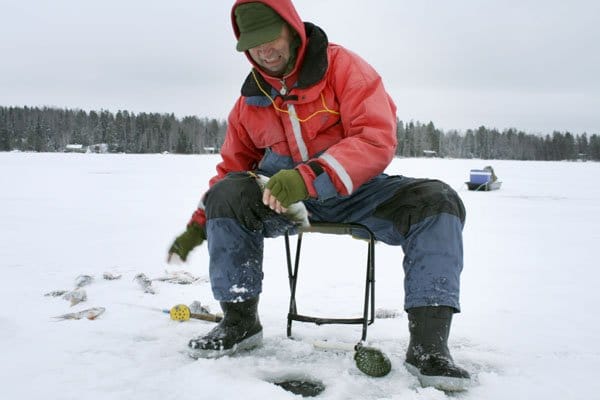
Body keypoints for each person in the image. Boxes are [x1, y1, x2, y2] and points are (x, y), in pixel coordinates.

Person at [168, 0, 470, 391]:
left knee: (437, 201)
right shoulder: (248, 103)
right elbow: (231, 171)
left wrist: (309, 177)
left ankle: (430, 348)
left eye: (270, 37)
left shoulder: (344, 68)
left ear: (292, 29)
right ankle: (239, 322)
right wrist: (199, 226)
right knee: (227, 192)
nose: (264, 50)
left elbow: (375, 138)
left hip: (359, 193)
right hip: (282, 202)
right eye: (252, 44)